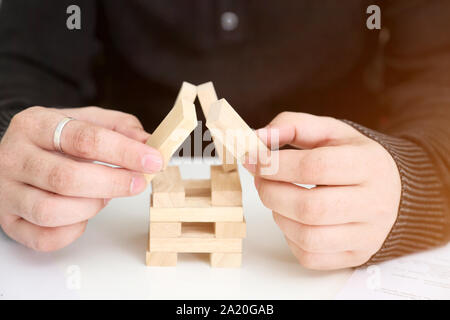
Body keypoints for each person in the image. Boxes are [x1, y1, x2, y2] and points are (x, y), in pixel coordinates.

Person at [0, 0, 448, 270]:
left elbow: (438, 67)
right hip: (111, 203)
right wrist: (13, 143)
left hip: (351, 191)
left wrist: (415, 176)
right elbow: (22, 62)